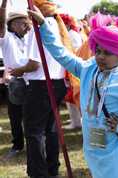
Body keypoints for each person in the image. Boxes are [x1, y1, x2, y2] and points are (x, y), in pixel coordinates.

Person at [28, 7, 118, 178]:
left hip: (116, 148)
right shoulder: (89, 69)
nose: (100, 56)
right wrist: (43, 25)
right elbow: (62, 55)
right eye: (98, 51)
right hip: (92, 146)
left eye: (107, 53)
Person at [23, 0, 68, 177]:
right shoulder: (56, 25)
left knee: (35, 132)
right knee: (50, 130)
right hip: (56, 83)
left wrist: (19, 70)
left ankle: (39, 173)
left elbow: (34, 64)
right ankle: (52, 169)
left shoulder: (40, 26)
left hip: (41, 84)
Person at [0, 0, 38, 159]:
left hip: (32, 80)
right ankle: (17, 146)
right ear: (12, 25)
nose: (25, 26)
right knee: (15, 117)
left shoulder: (30, 37)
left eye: (26, 22)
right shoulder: (6, 38)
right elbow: (0, 21)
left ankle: (33, 145)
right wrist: (4, 4)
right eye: (21, 23)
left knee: (32, 116)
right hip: (16, 82)